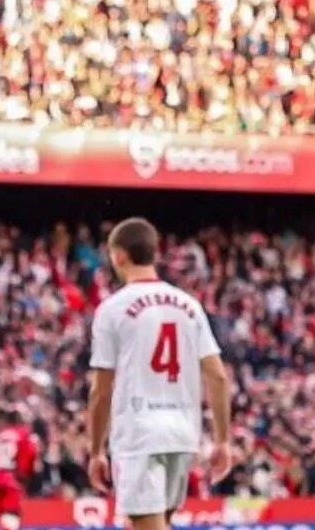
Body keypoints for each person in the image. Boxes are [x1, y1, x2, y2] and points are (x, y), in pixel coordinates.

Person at [87, 218, 234, 530]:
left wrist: (96, 450)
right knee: (151, 522)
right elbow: (218, 376)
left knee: (147, 525)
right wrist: (223, 440)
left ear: (118, 256)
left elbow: (101, 389)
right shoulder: (189, 305)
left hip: (140, 433)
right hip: (181, 432)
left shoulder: (112, 309)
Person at [0, 410, 38, 530]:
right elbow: (29, 454)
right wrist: (25, 475)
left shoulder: (0, 435)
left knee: (3, 514)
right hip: (12, 477)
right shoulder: (21, 434)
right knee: (12, 513)